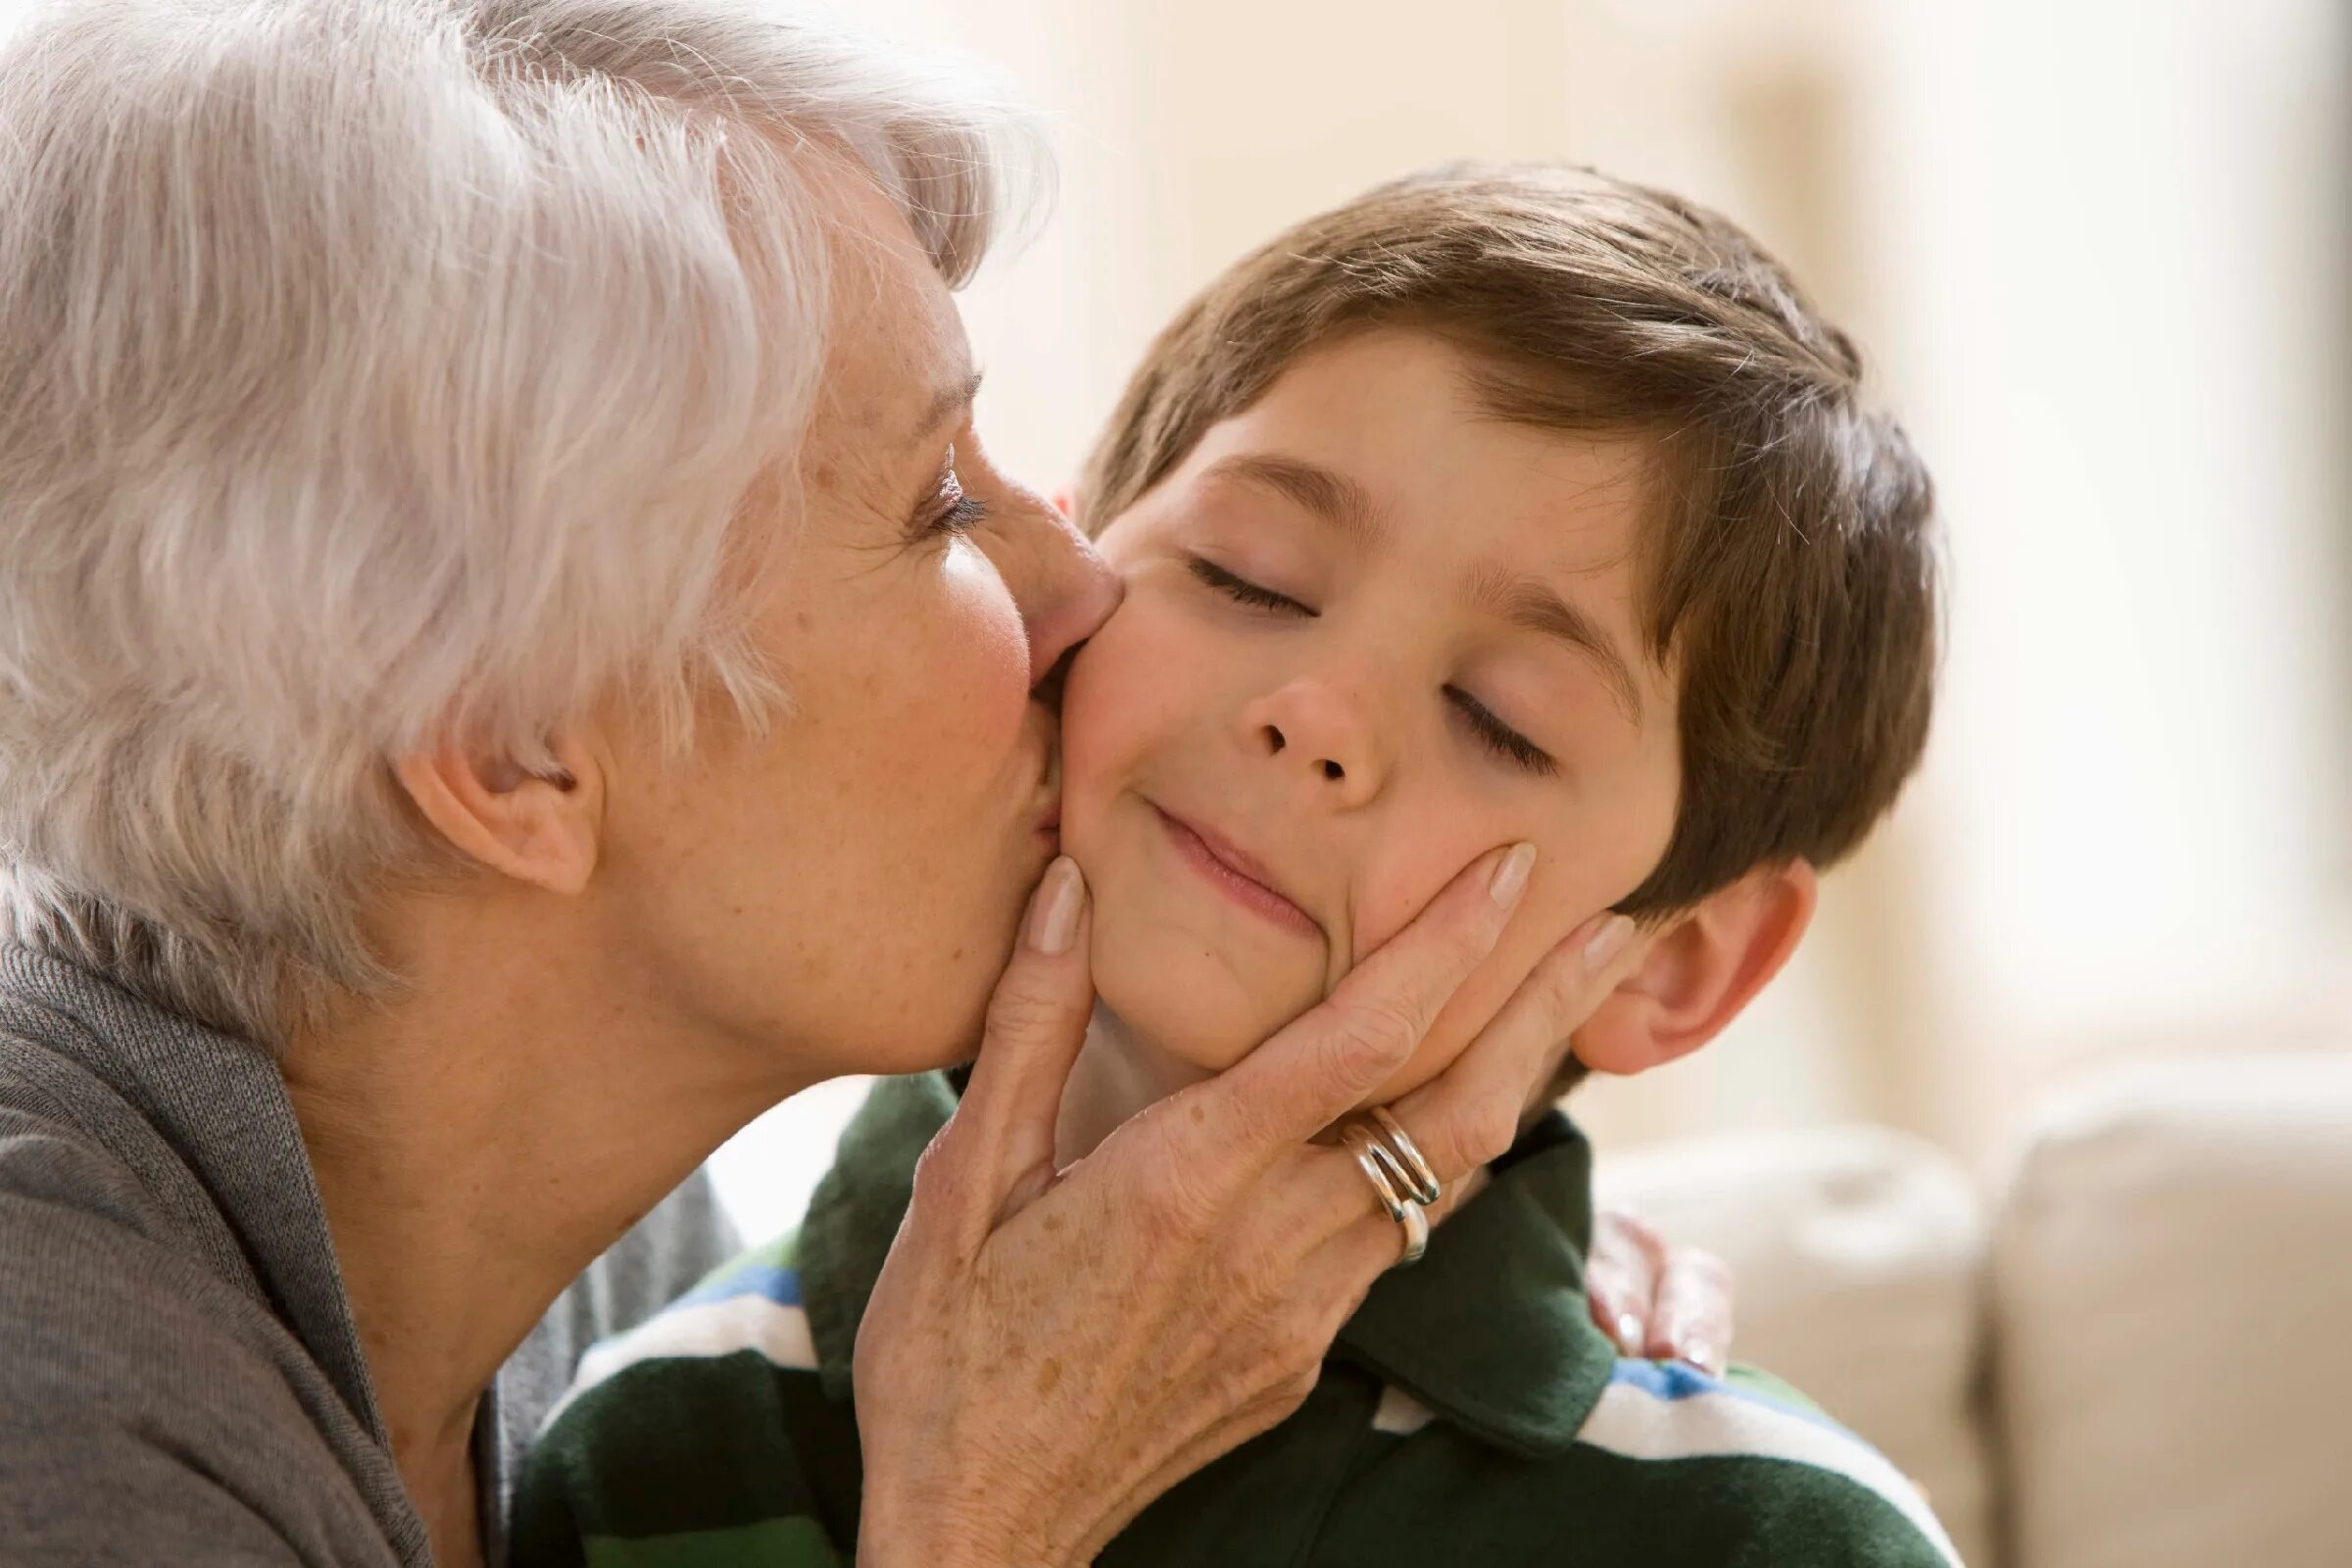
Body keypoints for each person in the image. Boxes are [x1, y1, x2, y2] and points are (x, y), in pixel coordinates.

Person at [0, 6, 1725, 1566]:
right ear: (511, 746)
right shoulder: (67, 1434)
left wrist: (1452, 1234)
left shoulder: (572, 1240)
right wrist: (991, 1521)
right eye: (939, 511)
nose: (1083, 587)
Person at [511, 164, 1959, 1567]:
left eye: (1498, 721)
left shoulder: (1771, 1536)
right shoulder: (651, 1437)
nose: (1317, 717)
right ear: (1077, 580)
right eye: (1248, 576)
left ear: (1679, 959)